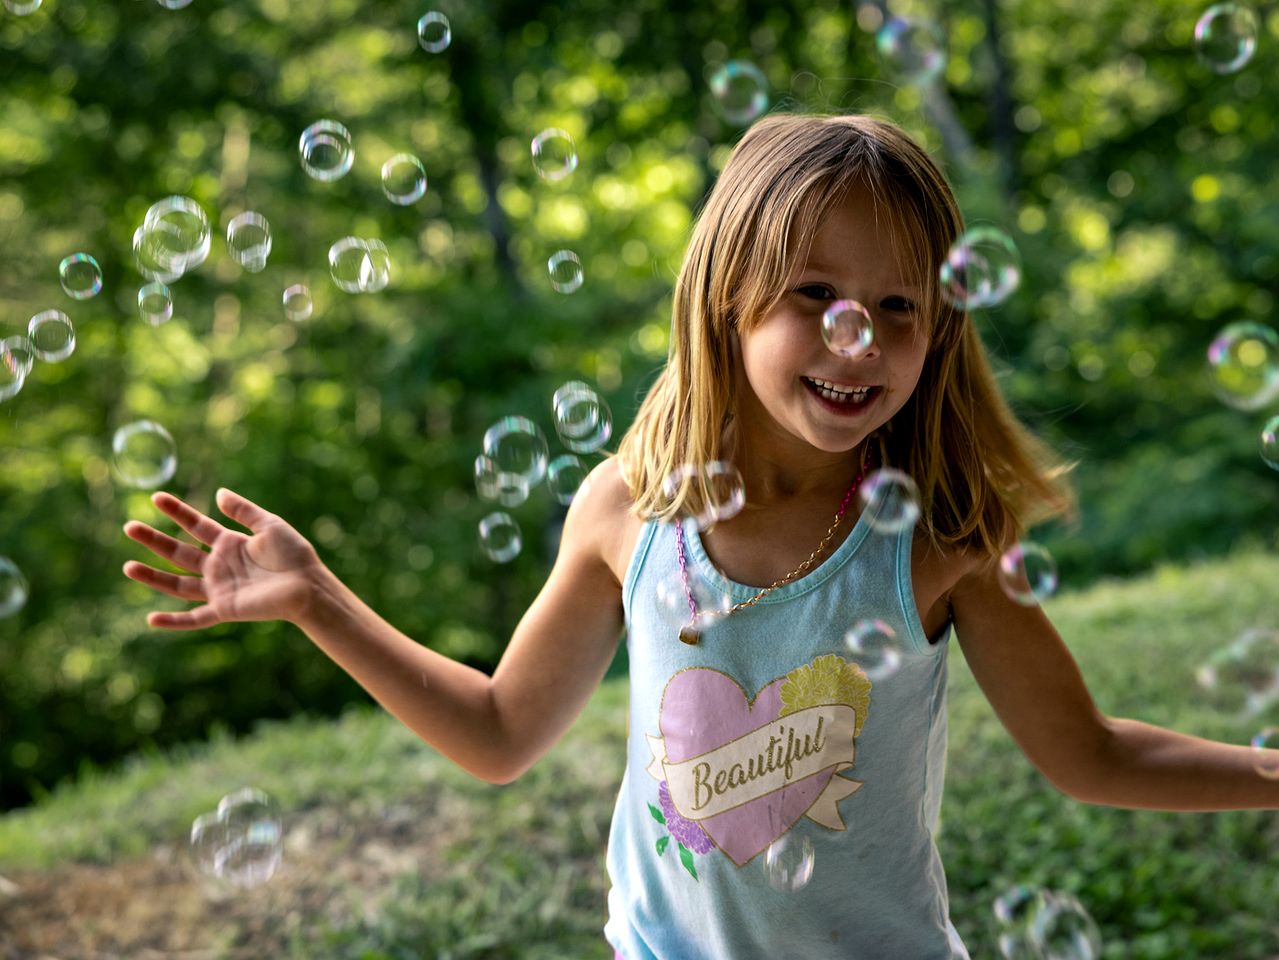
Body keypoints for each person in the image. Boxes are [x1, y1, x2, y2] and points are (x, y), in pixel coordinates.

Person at [123, 113, 1279, 959]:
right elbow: (497, 733)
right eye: (813, 298)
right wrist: (320, 599)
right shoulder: (628, 511)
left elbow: (1092, 755)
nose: (857, 341)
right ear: (726, 296)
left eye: (896, 309)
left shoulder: (933, 542)